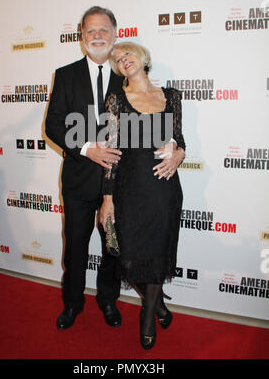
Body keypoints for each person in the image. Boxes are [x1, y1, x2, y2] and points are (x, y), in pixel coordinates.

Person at [100, 41, 185, 349]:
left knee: (157, 255)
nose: (124, 59)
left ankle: (148, 316)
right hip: (128, 190)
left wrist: (179, 155)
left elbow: (179, 140)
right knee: (129, 259)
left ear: (142, 58)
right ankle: (160, 305)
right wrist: (107, 199)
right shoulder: (116, 100)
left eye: (128, 54)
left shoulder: (171, 96)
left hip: (163, 190)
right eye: (118, 58)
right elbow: (109, 153)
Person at [45, 6, 124, 329]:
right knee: (76, 247)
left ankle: (107, 300)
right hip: (78, 179)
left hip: (117, 184)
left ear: (115, 34)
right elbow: (52, 126)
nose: (97, 36)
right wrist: (87, 148)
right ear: (81, 37)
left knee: (112, 249)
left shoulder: (127, 74)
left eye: (103, 30)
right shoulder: (65, 74)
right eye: (90, 31)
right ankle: (72, 303)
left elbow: (143, 123)